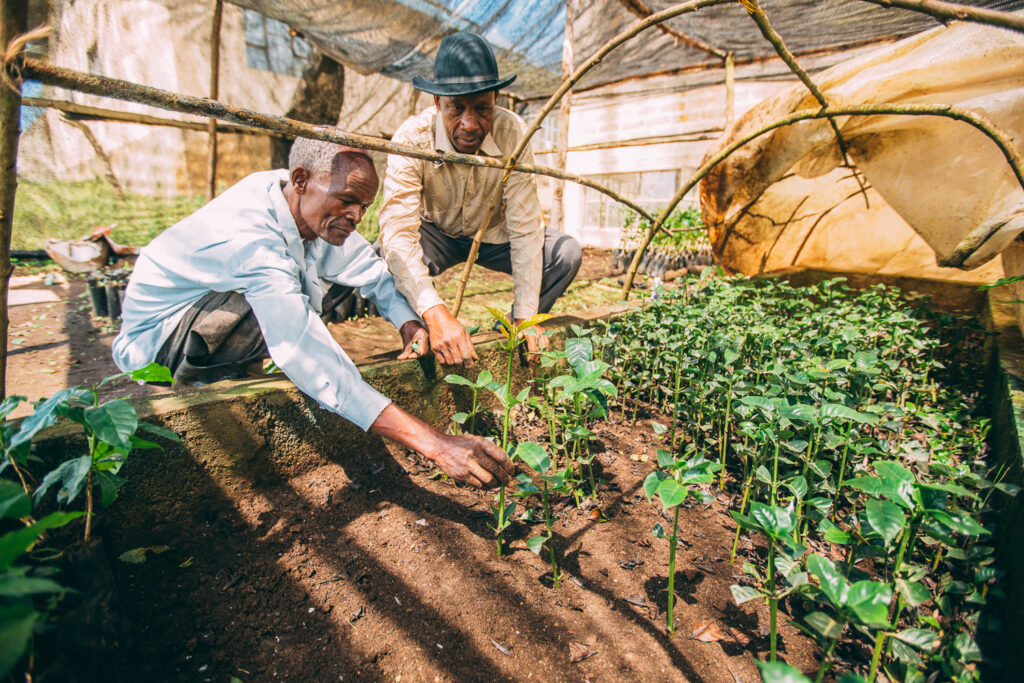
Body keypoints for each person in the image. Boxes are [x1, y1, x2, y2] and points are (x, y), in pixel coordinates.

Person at [112, 138, 513, 489]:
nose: (357, 216)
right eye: (347, 200)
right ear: (302, 179)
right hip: (161, 343)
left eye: (364, 205)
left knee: (322, 276)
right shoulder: (251, 240)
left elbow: (373, 273)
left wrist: (408, 322)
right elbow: (303, 350)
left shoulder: (302, 201)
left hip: (212, 314)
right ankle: (205, 381)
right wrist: (436, 444)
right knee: (280, 311)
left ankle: (236, 371)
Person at [377, 31, 582, 368]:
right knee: (378, 261)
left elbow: (526, 227)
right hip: (436, 234)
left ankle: (513, 330)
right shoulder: (412, 137)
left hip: (492, 237)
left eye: (482, 109)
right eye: (457, 109)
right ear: (437, 104)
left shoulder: (513, 132)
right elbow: (398, 233)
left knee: (564, 254)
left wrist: (528, 315)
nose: (470, 124)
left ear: (496, 101)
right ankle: (413, 327)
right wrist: (435, 312)